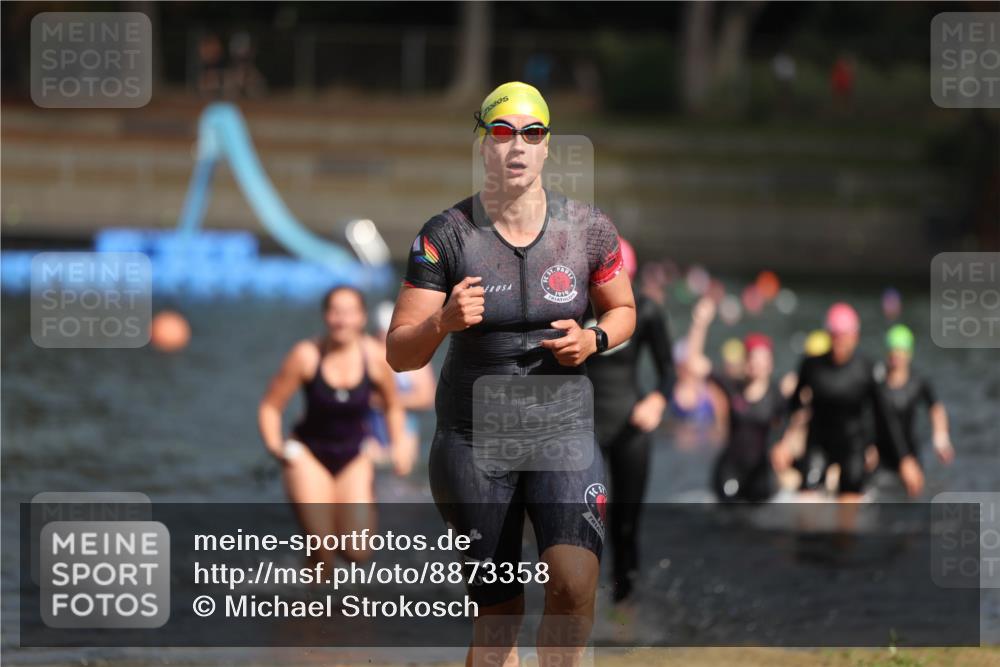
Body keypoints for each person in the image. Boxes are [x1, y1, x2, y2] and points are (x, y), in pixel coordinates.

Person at [386, 81, 636, 667]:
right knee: (499, 618)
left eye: (532, 133)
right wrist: (443, 321)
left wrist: (594, 338)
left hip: (562, 431)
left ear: (548, 145)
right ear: (483, 145)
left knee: (573, 582)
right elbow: (399, 353)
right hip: (475, 440)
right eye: (502, 132)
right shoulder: (445, 235)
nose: (517, 145)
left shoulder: (588, 229)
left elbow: (623, 310)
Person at [258, 286, 415, 567]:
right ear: (325, 316)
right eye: (335, 312)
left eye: (349, 313)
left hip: (354, 455)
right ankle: (310, 589)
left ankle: (321, 583)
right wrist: (276, 447)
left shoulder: (375, 357)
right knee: (322, 548)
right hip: (308, 455)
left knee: (358, 552)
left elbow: (392, 405)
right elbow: (271, 406)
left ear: (362, 317)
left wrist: (398, 444)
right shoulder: (306, 355)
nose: (342, 320)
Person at [584, 237, 674, 604]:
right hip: (584, 429)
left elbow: (668, 370)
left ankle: (624, 604)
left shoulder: (646, 311)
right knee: (580, 523)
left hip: (630, 427)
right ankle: (578, 602)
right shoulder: (577, 309)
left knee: (626, 524)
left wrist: (657, 400)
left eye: (617, 278)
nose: (609, 286)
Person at [771, 303, 923, 502]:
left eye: (844, 336)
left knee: (848, 505)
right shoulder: (812, 366)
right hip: (819, 442)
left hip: (853, 446)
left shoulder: (866, 369)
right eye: (835, 336)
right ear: (828, 335)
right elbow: (793, 405)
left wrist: (904, 459)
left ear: (855, 337)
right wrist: (781, 442)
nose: (839, 342)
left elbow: (884, 415)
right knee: (806, 501)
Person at [686, 298, 786, 503]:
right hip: (730, 467)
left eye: (762, 359)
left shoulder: (777, 394)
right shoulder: (732, 387)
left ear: (770, 363)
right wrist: (699, 324)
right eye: (753, 358)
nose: (757, 364)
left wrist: (784, 449)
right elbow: (694, 363)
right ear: (746, 362)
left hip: (760, 471)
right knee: (726, 508)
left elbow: (790, 423)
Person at [874, 324, 955, 474]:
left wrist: (941, 438)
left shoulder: (917, 382)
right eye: (893, 350)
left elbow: (935, 408)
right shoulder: (876, 380)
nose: (896, 355)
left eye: (900, 350)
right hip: (880, 456)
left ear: (909, 353)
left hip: (910, 454)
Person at [364, 302, 436, 467]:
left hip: (405, 434)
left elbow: (427, 398)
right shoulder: (367, 352)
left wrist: (386, 400)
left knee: (401, 466)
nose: (384, 340)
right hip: (371, 435)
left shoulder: (412, 356)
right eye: (380, 334)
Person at [668, 298, 729, 449]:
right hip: (686, 447)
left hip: (707, 445)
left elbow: (723, 424)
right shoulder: (679, 392)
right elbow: (692, 357)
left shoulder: (712, 391)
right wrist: (699, 324)